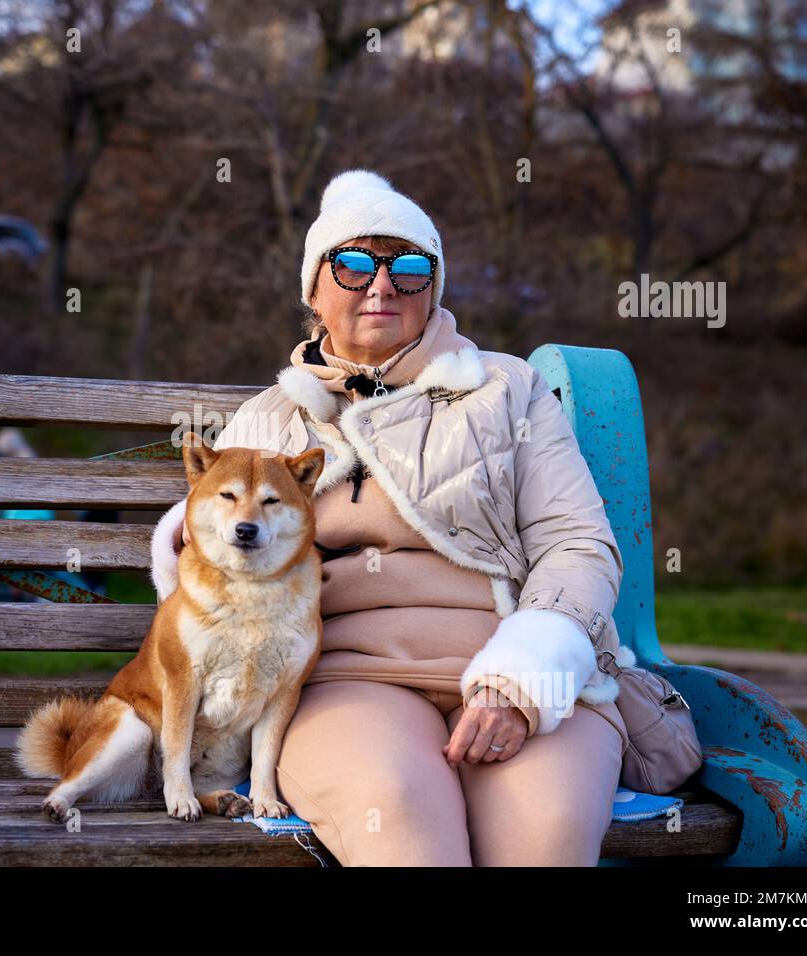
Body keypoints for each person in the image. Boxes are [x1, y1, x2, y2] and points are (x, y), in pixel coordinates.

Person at [149, 168, 630, 866]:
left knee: (546, 837)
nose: (381, 286)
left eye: (408, 267)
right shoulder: (270, 420)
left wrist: (524, 679)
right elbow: (210, 570)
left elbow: (579, 544)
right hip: (349, 680)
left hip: (519, 668)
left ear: (433, 287)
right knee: (398, 819)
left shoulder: (505, 389)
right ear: (313, 291)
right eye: (351, 265)